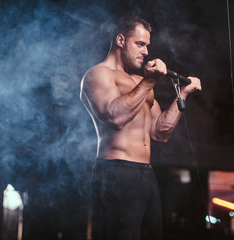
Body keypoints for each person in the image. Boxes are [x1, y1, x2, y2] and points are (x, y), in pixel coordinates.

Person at [80, 16, 201, 240]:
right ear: (120, 40)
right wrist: (149, 81)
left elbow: (159, 132)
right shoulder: (98, 75)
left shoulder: (139, 81)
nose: (146, 51)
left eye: (147, 46)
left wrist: (182, 94)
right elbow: (115, 118)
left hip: (146, 175)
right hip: (117, 172)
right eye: (140, 44)